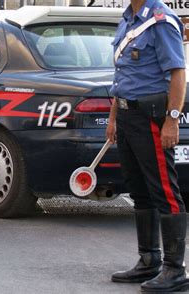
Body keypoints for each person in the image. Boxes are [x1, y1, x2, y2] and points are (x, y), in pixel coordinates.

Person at [106, 0, 188, 291]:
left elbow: (178, 73)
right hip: (128, 116)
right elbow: (123, 76)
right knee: (138, 190)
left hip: (151, 117)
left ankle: (175, 269)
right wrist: (114, 119)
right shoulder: (128, 18)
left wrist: (172, 120)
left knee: (164, 191)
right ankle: (148, 260)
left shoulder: (161, 20)